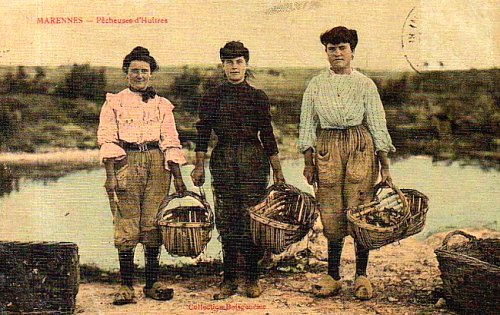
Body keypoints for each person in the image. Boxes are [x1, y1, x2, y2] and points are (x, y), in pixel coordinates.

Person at [298, 26, 396, 300]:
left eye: (342, 48)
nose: (337, 53)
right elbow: (307, 124)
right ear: (326, 53)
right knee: (331, 211)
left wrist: (385, 167)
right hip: (328, 147)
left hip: (359, 147)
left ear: (352, 51)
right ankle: (333, 275)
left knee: (361, 211)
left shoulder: (364, 84)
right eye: (332, 49)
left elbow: (377, 125)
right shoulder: (316, 84)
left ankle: (361, 275)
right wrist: (308, 161)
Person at [191, 41, 285, 299]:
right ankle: (229, 278)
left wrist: (277, 171)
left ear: (246, 64)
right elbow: (203, 133)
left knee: (252, 218)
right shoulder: (212, 97)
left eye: (239, 61)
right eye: (229, 62)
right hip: (223, 158)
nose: (234, 67)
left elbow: (267, 134)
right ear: (222, 65)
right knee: (227, 218)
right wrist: (198, 165)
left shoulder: (257, 97)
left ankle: (253, 278)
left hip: (253, 159)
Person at [97, 46, 187, 305]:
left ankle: (151, 282)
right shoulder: (114, 102)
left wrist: (178, 177)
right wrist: (110, 176)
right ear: (126, 73)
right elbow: (108, 140)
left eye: (144, 71)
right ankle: (126, 285)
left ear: (151, 74)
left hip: (157, 164)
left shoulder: (162, 105)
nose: (139, 76)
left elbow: (170, 141)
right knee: (126, 222)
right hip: (126, 160)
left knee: (153, 222)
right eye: (134, 71)